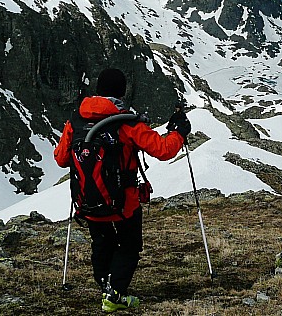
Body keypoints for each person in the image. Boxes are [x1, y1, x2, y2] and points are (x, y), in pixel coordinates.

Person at [54, 68, 191, 313]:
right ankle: (115, 295)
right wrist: (179, 132)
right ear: (122, 92)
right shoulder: (126, 123)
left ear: (97, 90)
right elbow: (163, 150)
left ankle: (105, 284)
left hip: (87, 200)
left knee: (101, 242)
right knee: (129, 246)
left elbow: (61, 159)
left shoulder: (75, 121)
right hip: (124, 203)